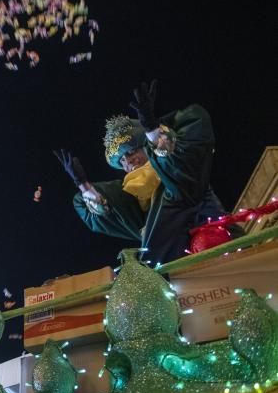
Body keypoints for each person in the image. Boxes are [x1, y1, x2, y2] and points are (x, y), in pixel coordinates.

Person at [55, 80, 241, 263]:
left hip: (224, 253)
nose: (128, 161)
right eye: (121, 160)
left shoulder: (175, 174)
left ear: (145, 147)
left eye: (131, 151)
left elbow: (177, 166)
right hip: (179, 274)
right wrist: (84, 185)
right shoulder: (135, 202)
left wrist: (152, 130)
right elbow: (110, 215)